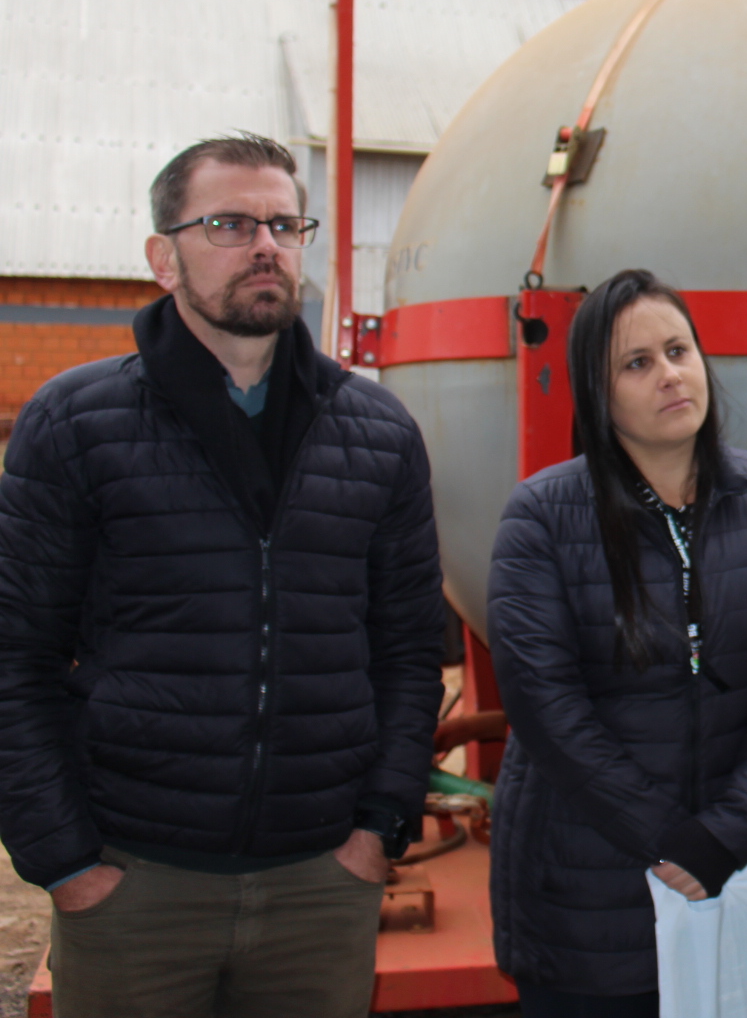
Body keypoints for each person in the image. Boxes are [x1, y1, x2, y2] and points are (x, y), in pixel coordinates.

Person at [0, 134, 446, 1017]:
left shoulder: (379, 433)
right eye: (230, 225)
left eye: (285, 225)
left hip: (321, 887)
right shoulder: (76, 424)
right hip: (136, 885)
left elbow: (407, 652)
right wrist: (67, 861)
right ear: (163, 258)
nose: (265, 246)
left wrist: (377, 830)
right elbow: (17, 658)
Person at [487, 268, 747, 1017]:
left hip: (729, 869)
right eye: (637, 363)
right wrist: (670, 837)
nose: (670, 375)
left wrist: (726, 833)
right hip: (586, 890)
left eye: (679, 351)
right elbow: (545, 703)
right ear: (597, 393)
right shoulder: (542, 517)